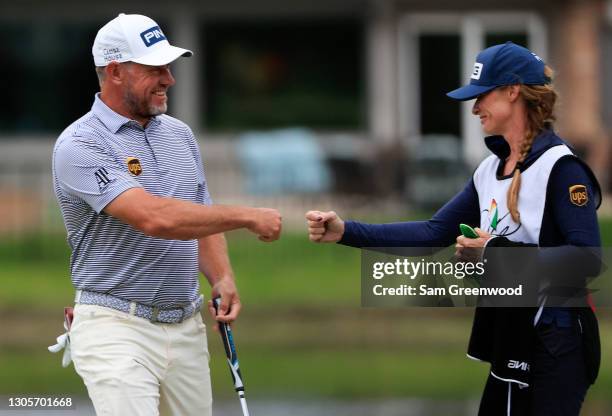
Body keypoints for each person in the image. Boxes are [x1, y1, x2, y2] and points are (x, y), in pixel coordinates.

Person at [306, 42, 601, 415]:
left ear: (513, 91)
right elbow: (433, 233)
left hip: (557, 342)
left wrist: (493, 253)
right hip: (512, 334)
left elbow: (587, 260)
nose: (475, 107)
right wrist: (346, 231)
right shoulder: (488, 170)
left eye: (482, 96)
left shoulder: (562, 168)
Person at [51, 13, 281, 416]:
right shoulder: (80, 144)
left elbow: (198, 214)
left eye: (168, 67)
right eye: (154, 68)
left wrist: (222, 277)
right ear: (116, 71)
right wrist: (247, 216)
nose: (169, 79)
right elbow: (155, 218)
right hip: (115, 326)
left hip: (186, 326)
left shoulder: (179, 134)